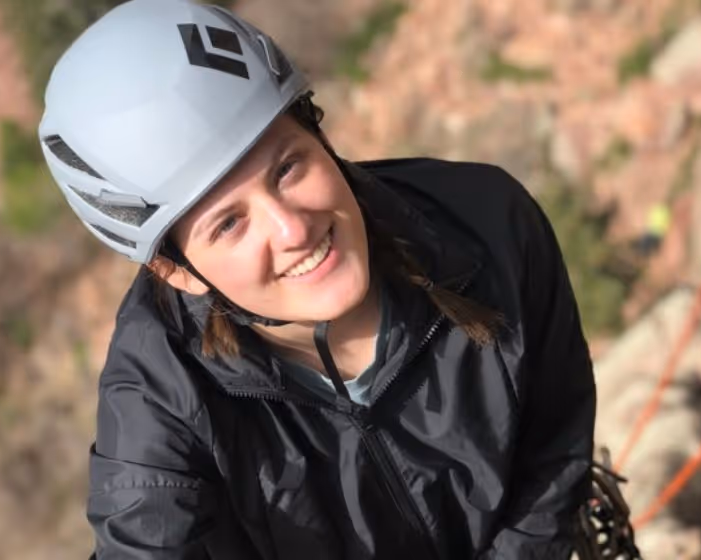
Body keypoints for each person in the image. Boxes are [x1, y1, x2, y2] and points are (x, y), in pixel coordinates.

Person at [39, 1, 597, 558]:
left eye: (288, 167)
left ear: (318, 134)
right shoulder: (161, 401)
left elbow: (554, 443)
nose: (292, 229)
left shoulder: (485, 226)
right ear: (177, 273)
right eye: (229, 224)